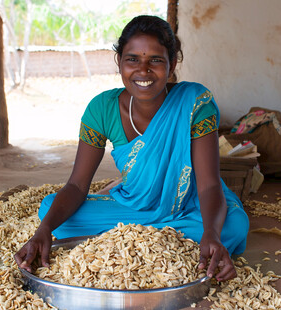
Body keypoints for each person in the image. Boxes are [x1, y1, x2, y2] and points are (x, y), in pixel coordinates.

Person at [15, 15, 249, 282]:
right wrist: (43, 230)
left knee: (235, 226)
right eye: (133, 59)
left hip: (191, 203)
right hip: (134, 206)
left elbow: (208, 185)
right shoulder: (102, 109)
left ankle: (149, 232)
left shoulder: (194, 102)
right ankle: (159, 233)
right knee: (49, 211)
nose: (143, 70)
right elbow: (78, 186)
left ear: (172, 64)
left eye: (156, 60)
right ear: (119, 62)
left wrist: (212, 234)